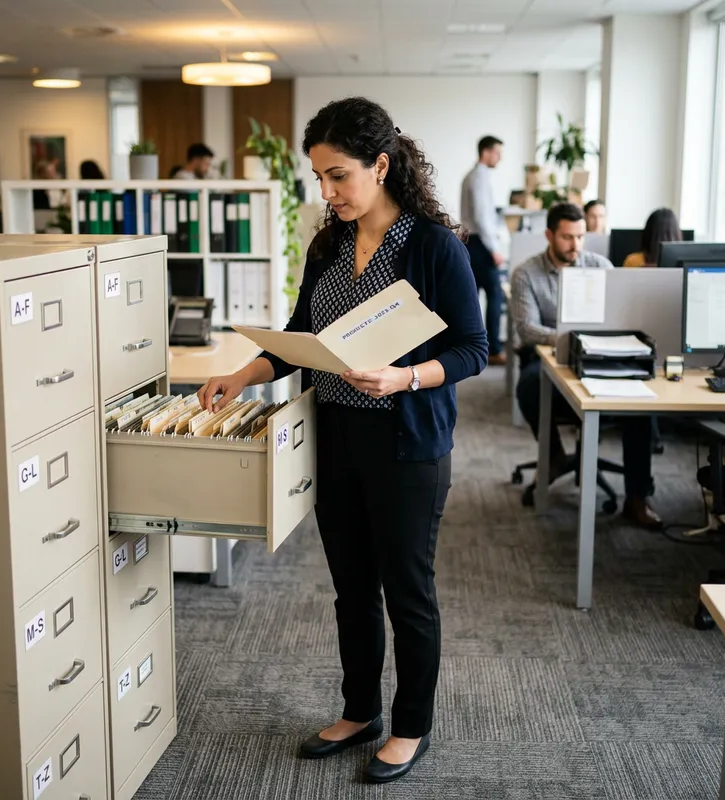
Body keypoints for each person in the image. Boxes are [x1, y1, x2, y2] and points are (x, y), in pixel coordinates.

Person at [196, 97, 488, 784]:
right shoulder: (328, 242)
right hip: (335, 438)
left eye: (338, 177)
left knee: (407, 590)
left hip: (407, 443)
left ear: (380, 166)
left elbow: (475, 348)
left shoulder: (433, 246)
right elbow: (303, 338)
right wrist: (246, 372)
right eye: (319, 179)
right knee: (352, 589)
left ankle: (411, 723)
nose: (326, 193)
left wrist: (409, 375)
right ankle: (361, 710)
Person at [510, 202, 661, 529]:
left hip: (601, 356)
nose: (575, 245)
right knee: (529, 385)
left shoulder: (601, 267)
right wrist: (573, 339)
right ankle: (552, 456)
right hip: (550, 359)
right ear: (549, 235)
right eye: (567, 237)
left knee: (643, 404)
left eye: (581, 237)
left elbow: (623, 316)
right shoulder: (526, 273)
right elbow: (528, 329)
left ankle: (637, 498)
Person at [460, 135, 505, 366]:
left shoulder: (477, 175)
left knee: (474, 296)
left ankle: (473, 346)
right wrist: (494, 249)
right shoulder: (478, 177)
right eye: (497, 152)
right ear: (486, 152)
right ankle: (494, 349)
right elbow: (481, 217)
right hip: (480, 243)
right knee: (495, 295)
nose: (500, 157)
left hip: (474, 242)